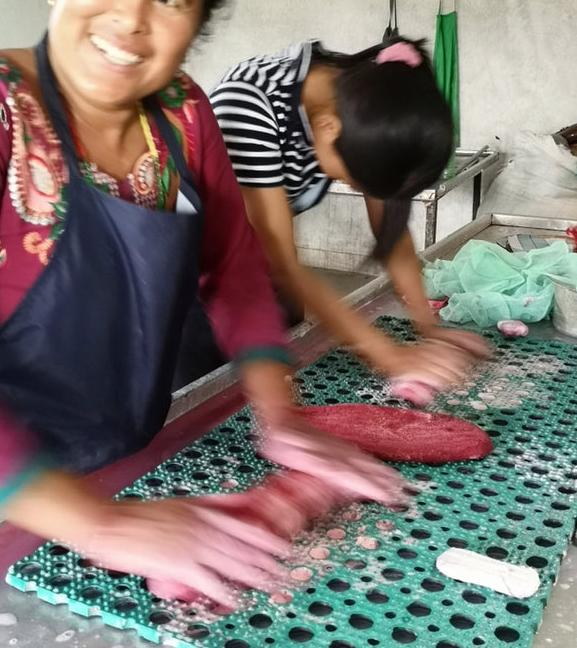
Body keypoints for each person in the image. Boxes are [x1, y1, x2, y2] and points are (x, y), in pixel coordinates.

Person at [0, 0, 409, 607]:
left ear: (197, 23)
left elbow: (234, 268)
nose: (128, 19)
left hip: (124, 462)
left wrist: (279, 414)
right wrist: (91, 522)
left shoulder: (182, 115)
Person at [210, 39, 491, 388]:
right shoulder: (249, 103)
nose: (361, 191)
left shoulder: (364, 110)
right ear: (327, 128)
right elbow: (277, 260)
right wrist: (389, 355)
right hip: (194, 294)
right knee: (211, 398)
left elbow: (392, 234)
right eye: (358, 183)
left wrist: (429, 331)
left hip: (262, 290)